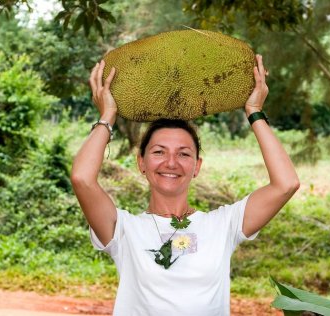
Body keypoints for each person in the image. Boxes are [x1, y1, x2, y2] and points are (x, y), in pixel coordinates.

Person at [71, 54, 300, 316]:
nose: (171, 162)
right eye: (158, 152)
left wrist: (255, 112)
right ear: (141, 163)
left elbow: (286, 184)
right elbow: (82, 179)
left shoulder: (223, 225)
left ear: (197, 167)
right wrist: (107, 116)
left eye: (183, 154)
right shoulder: (123, 231)